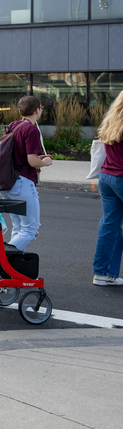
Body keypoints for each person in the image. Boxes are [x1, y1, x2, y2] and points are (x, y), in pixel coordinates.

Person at [0, 95, 53, 252]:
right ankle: (3, 261)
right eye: (41, 109)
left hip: (9, 181)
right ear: (37, 110)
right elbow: (32, 162)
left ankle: (11, 269)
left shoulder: (13, 126)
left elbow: (20, 155)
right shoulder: (31, 129)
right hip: (22, 182)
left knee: (18, 227)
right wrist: (45, 162)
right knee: (30, 230)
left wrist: (37, 158)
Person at [92, 91, 123, 286]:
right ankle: (106, 273)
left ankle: (103, 274)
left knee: (109, 225)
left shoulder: (111, 121)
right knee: (111, 225)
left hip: (106, 177)